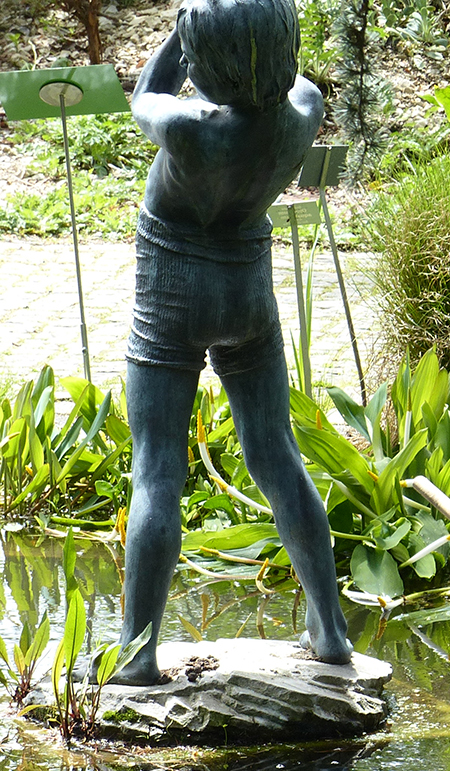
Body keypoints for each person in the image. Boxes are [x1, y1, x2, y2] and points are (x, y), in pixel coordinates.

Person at [114, 0, 351, 685]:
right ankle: (330, 631)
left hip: (174, 287)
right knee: (276, 452)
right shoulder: (302, 111)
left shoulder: (188, 128)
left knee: (157, 469)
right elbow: (286, 68)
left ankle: (136, 654)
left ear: (203, 60)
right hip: (247, 291)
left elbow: (145, 97)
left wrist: (176, 35)